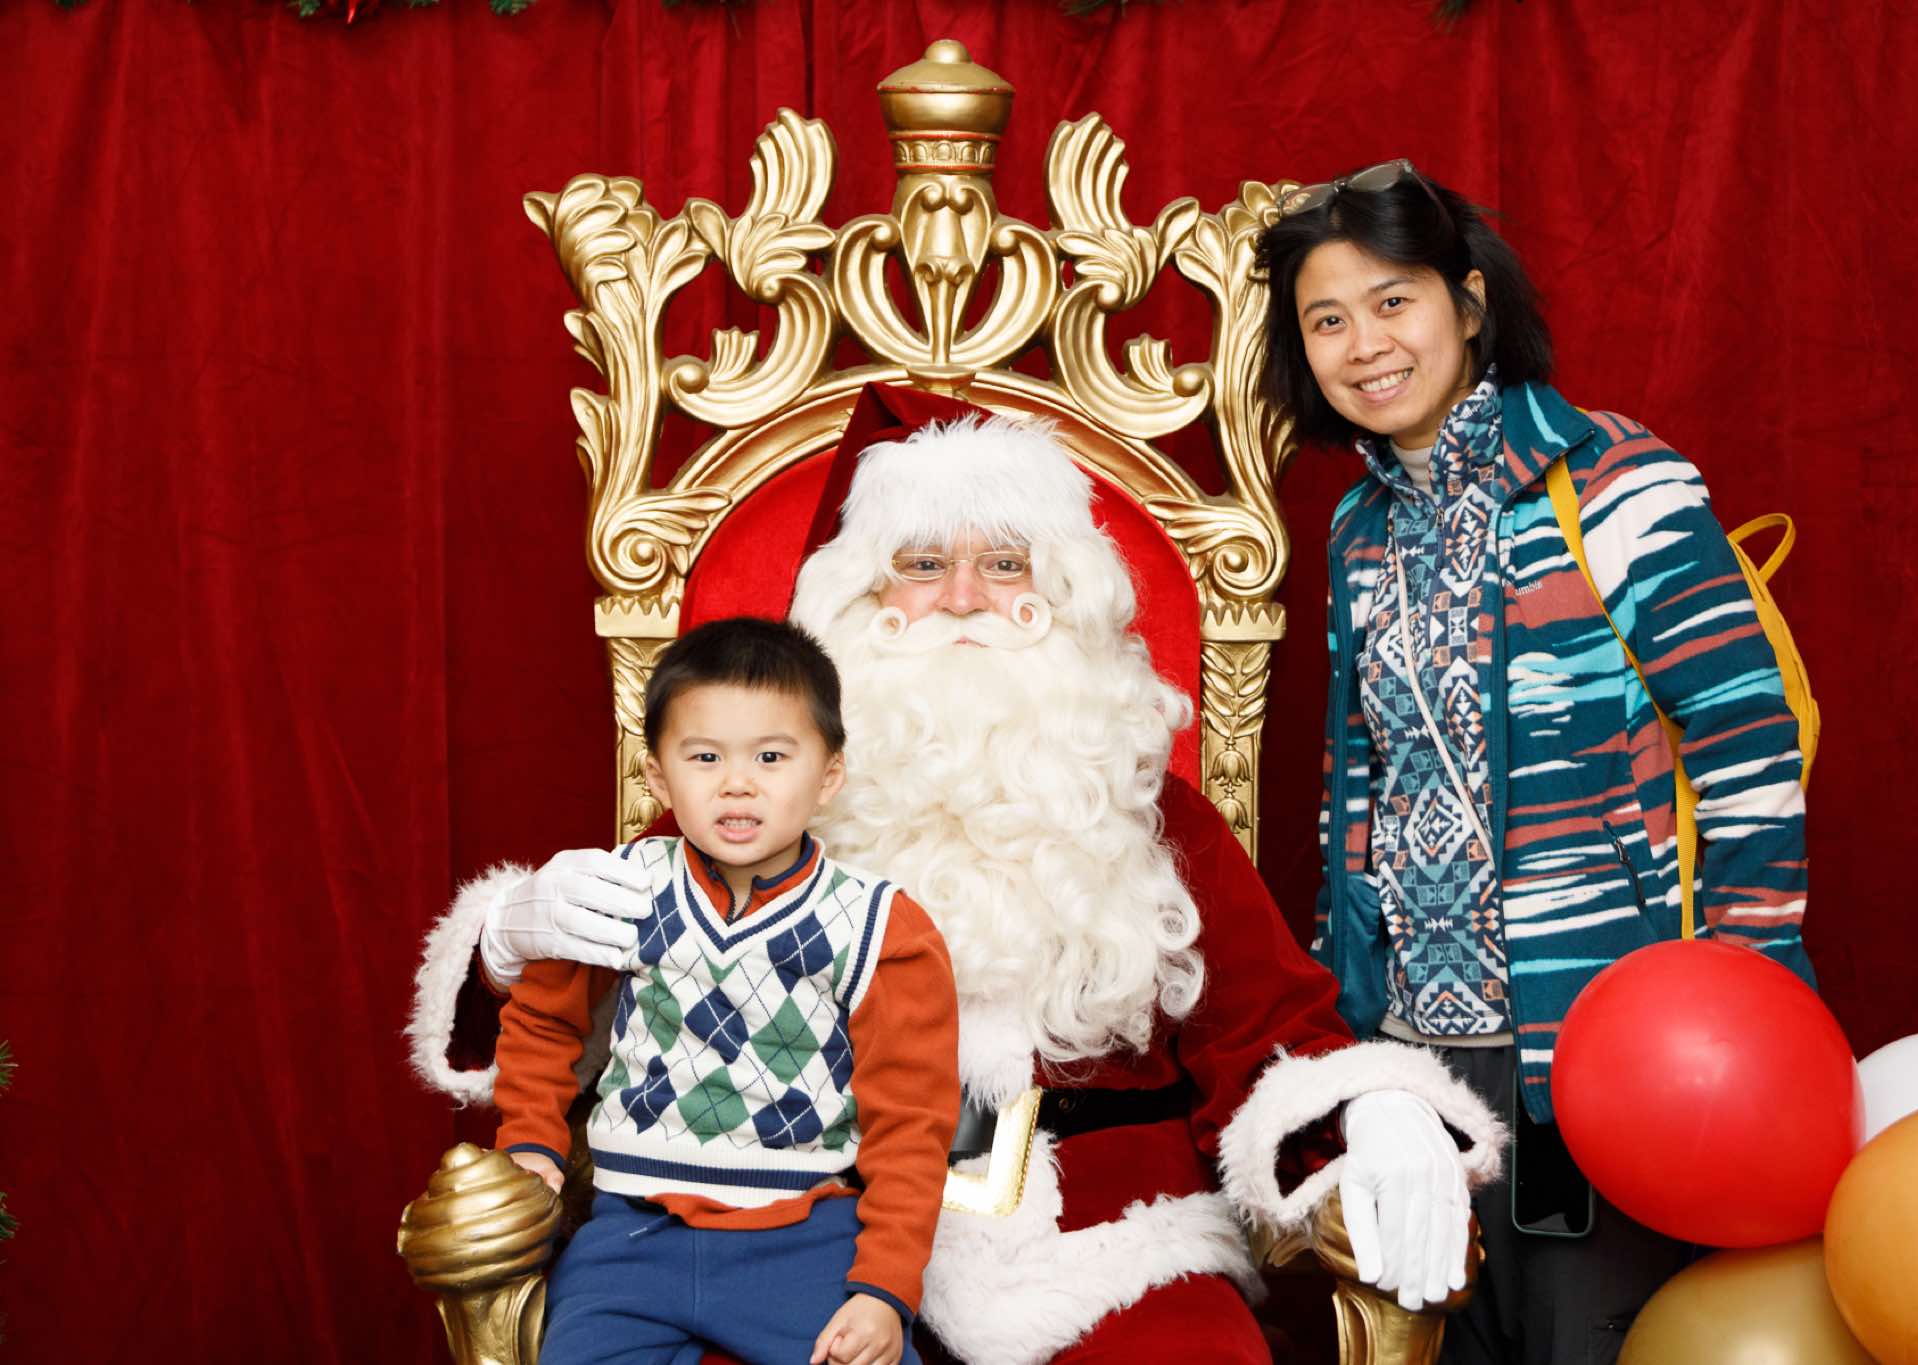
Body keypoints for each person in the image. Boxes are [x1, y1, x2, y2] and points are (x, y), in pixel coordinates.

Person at [407, 384, 1509, 1365]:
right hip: (800, 1229)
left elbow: (1272, 1032)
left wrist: (1370, 1111)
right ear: (861, 599)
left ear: (1060, 591)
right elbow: (572, 1003)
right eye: (925, 565)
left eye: (1005, 563)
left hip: (1105, 1241)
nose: (968, 597)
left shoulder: (1147, 809)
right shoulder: (760, 794)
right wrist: (512, 936)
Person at [1254, 160, 1815, 1364]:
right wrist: (1351, 1037)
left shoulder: (1610, 478)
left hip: (1600, 1037)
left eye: (1391, 301)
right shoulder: (1357, 530)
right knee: (1449, 1340)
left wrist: (1746, 993)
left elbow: (1743, 733)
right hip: (1419, 1062)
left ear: (1466, 304)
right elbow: (1358, 789)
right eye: (1326, 320)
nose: (1364, 345)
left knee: (1589, 1336)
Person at [491, 616, 958, 1365]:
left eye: (772, 756)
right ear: (657, 777)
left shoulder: (880, 925)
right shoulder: (617, 887)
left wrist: (885, 1289)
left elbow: (911, 1123)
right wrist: (528, 1138)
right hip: (629, 1236)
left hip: (802, 1238)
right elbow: (543, 1018)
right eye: (705, 756)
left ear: (829, 775)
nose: (737, 783)